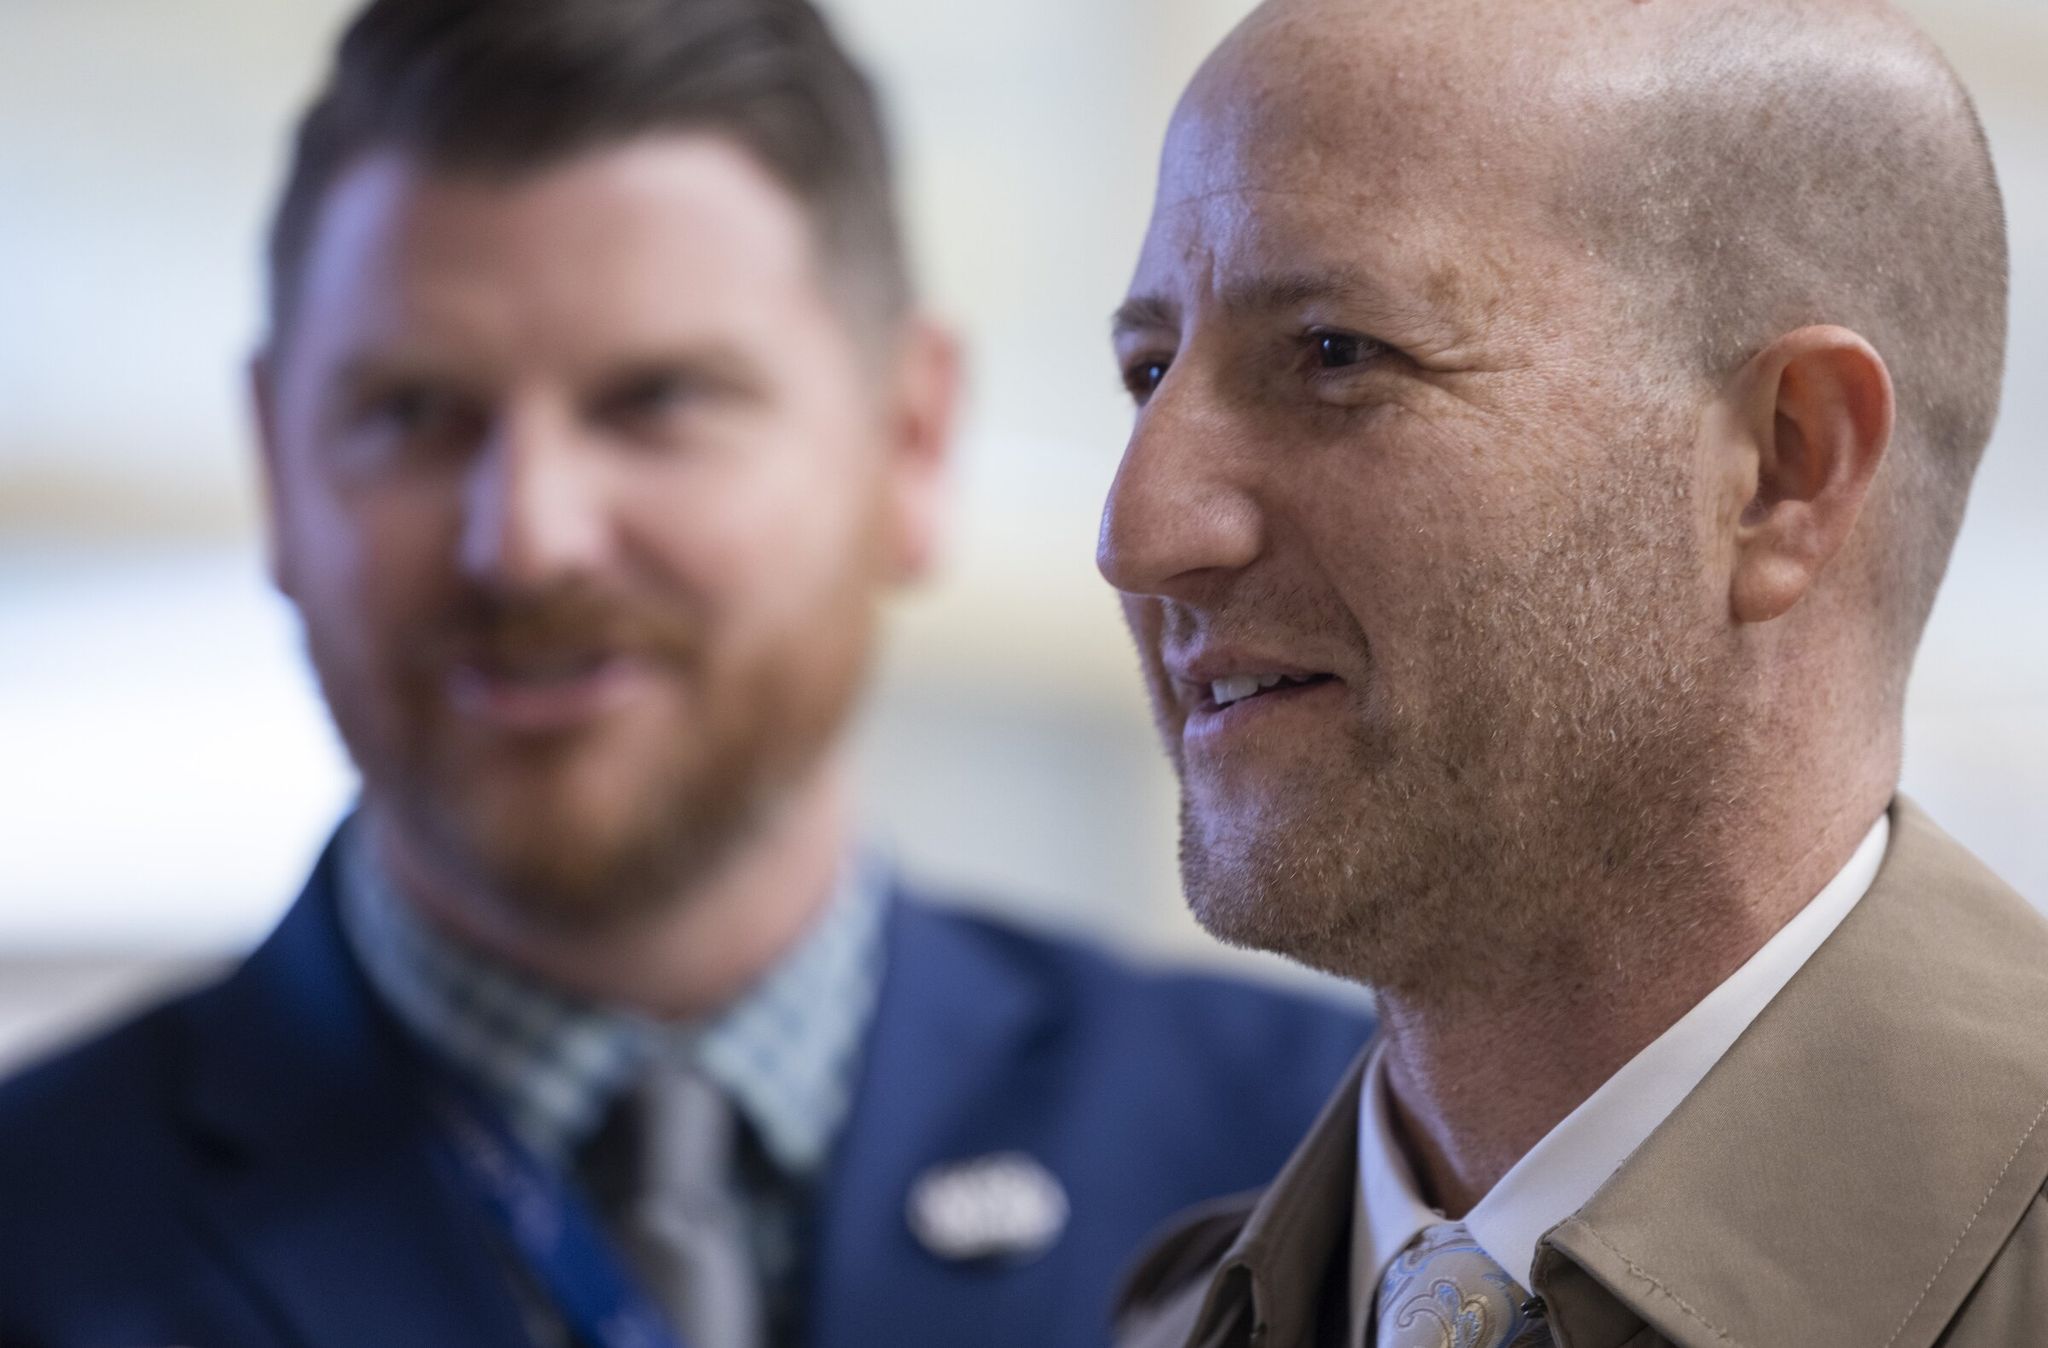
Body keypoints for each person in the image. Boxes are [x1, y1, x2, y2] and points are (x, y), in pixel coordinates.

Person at [0, 2, 1374, 1345]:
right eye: (414, 414)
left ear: (909, 442)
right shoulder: (35, 1235)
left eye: (655, 401)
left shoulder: (1332, 1173)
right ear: (277, 465)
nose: (526, 540)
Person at [1098, 0, 2033, 1344]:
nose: (1141, 535)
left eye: (1333, 355)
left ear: (1783, 469)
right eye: (1145, 372)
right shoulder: (1171, 1314)